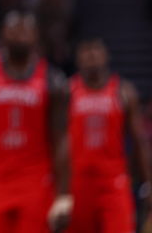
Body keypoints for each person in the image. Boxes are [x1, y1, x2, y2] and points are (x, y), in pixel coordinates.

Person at [0, 11, 72, 233]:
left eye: (25, 29)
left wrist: (64, 195)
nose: (19, 34)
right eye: (13, 29)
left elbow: (61, 140)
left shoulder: (53, 81)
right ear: (2, 34)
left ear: (36, 36)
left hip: (35, 180)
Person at [67, 38, 152, 233]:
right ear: (78, 59)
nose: (91, 56)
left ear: (106, 56)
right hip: (78, 183)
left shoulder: (123, 92)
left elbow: (139, 140)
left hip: (113, 182)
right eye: (86, 52)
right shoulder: (68, 91)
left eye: (96, 51)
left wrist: (148, 182)